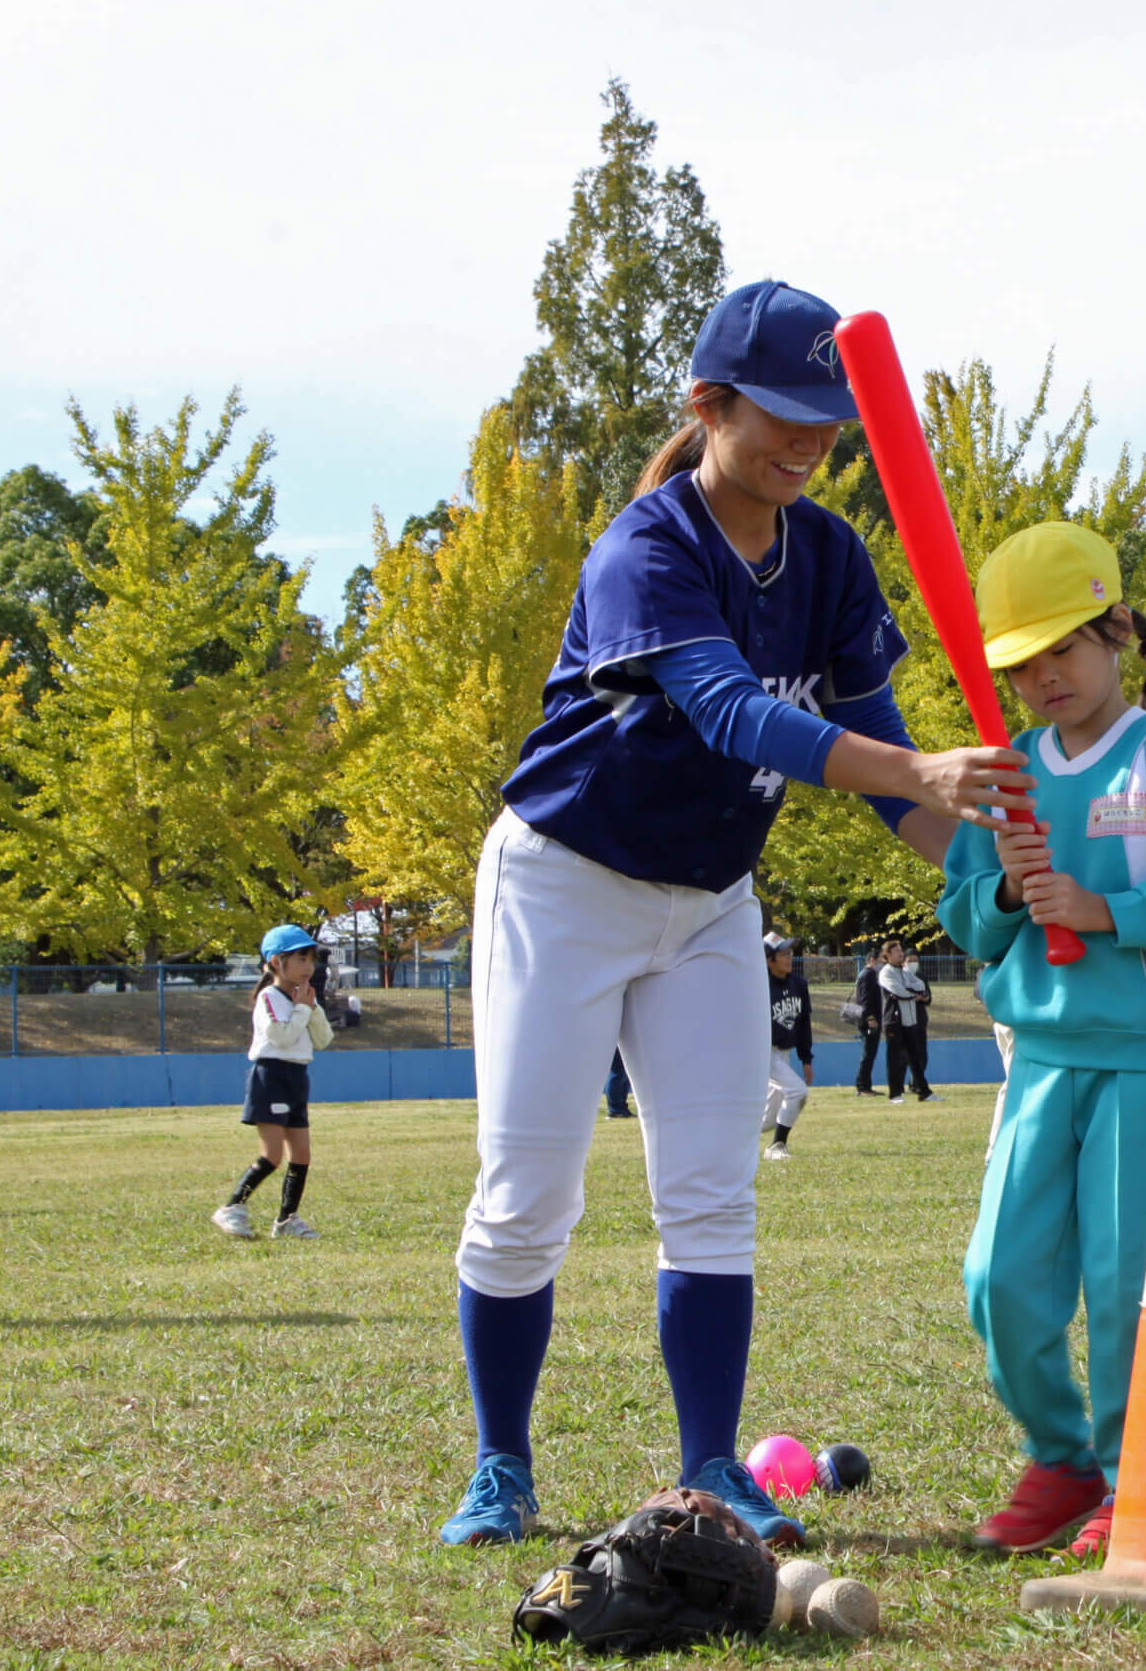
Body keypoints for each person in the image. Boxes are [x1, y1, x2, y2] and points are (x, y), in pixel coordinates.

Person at [436, 279, 1023, 1550]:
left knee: (710, 1193)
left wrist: (981, 862)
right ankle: (500, 1466)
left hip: (709, 900)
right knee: (527, 1193)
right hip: (566, 879)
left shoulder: (828, 556)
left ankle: (712, 1464)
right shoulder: (647, 544)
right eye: (782, 414)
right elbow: (734, 713)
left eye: (830, 419)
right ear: (709, 403)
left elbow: (886, 760)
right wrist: (917, 773)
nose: (809, 443)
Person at [940, 519, 1146, 1558]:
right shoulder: (1003, 774)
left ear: (1115, 630)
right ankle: (1062, 1454)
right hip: (1036, 1057)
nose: (1044, 680)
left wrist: (1107, 909)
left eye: (1063, 652)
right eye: (1020, 666)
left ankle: (1138, 1474)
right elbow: (963, 917)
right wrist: (1002, 888)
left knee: (1128, 1286)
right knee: (999, 1278)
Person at [212, 925, 336, 1240]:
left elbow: (322, 1040)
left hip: (297, 1077)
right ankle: (232, 1208)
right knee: (272, 1155)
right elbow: (280, 1036)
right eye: (301, 958)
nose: (309, 966)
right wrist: (301, 1010)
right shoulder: (270, 996)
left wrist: (312, 1007)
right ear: (278, 962)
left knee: (302, 1155)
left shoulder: (303, 998)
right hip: (271, 1076)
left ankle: (286, 1219)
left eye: (311, 959)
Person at [761, 933, 814, 1160]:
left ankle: (724, 1143)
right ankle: (777, 1146)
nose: (789, 958)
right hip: (763, 1053)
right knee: (798, 1091)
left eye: (789, 953)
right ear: (768, 960)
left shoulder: (798, 984)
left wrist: (806, 1059)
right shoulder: (758, 985)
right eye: (782, 954)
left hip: (784, 1053)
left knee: (767, 1121)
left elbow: (803, 1024)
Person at [878, 939, 933, 1102]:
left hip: (910, 1021)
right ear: (887, 955)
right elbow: (897, 990)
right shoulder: (885, 972)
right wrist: (913, 995)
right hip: (894, 1022)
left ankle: (924, 1092)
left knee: (915, 1057)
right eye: (896, 951)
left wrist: (912, 992)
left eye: (901, 950)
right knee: (894, 1059)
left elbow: (920, 984)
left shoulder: (904, 971)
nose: (901, 954)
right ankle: (895, 1094)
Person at [853, 942, 887, 1096]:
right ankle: (862, 1087)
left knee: (870, 1054)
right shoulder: (868, 975)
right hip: (869, 1020)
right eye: (881, 959)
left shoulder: (869, 974)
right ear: (872, 960)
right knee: (868, 1054)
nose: (883, 962)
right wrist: (871, 1018)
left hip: (870, 1019)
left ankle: (866, 1086)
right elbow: (865, 1000)